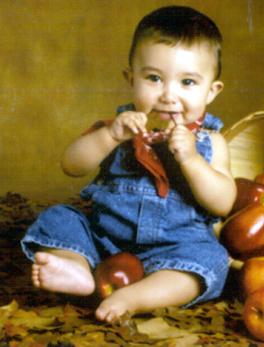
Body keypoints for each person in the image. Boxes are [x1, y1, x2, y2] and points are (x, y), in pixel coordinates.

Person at [20, 5, 236, 323]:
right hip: (105, 241)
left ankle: (137, 296)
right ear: (130, 78)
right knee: (59, 217)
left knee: (212, 259)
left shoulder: (210, 143)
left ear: (212, 91)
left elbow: (223, 202)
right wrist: (109, 136)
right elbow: (71, 164)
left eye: (187, 82)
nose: (168, 95)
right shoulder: (119, 128)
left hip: (174, 250)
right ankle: (78, 269)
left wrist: (191, 159)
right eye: (153, 78)